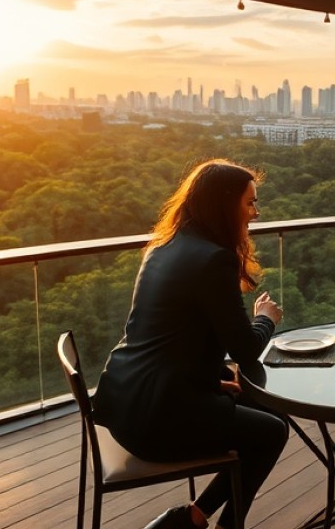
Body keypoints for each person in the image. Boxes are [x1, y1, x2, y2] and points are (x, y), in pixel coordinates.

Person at [92, 160, 287, 529]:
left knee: (270, 412)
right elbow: (245, 349)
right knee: (272, 431)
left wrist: (213, 381)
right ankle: (219, 524)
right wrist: (267, 318)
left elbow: (172, 336)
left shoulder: (164, 247)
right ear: (224, 204)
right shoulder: (214, 259)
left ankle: (192, 518)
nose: (255, 213)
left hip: (128, 404)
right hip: (159, 422)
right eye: (249, 203)